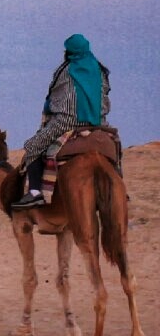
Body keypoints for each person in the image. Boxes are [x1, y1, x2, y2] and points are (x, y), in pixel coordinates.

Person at [13, 34, 111, 208]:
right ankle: (120, 186)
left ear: (70, 52)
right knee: (114, 147)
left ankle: (35, 192)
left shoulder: (65, 70)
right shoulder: (100, 70)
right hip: (98, 123)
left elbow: (54, 96)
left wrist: (50, 110)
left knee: (32, 146)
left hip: (67, 122)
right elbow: (105, 94)